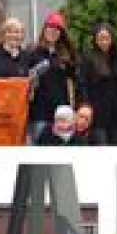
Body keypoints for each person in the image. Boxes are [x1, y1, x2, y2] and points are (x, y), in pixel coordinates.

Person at [27, 12, 79, 144]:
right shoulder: (32, 52)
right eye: (50, 27)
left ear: (61, 33)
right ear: (44, 29)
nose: (53, 31)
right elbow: (24, 80)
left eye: (57, 29)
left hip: (62, 114)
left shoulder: (66, 55)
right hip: (39, 113)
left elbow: (75, 81)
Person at [79, 23, 117, 145]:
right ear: (95, 39)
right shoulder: (88, 57)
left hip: (116, 113)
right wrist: (86, 105)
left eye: (107, 38)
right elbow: (83, 83)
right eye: (100, 38)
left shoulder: (116, 57)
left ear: (111, 39)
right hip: (97, 113)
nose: (104, 41)